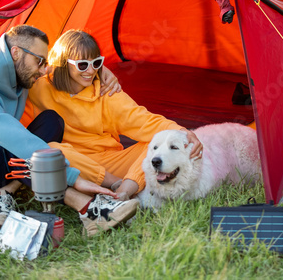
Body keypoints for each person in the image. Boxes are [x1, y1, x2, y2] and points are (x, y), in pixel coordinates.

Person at [0, 24, 139, 236]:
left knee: (51, 122)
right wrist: (73, 177)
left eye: (45, 62)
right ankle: (89, 209)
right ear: (15, 53)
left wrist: (101, 70)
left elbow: (60, 71)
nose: (44, 69)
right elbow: (21, 143)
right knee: (18, 148)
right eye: (39, 62)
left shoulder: (19, 75)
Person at [23, 29, 203, 201]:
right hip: (72, 162)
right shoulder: (38, 87)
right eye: (83, 65)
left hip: (110, 160)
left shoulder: (106, 93)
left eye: (97, 63)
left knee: (154, 143)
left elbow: (143, 121)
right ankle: (112, 183)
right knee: (50, 150)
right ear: (63, 63)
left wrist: (182, 132)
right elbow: (24, 53)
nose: (91, 71)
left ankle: (124, 191)